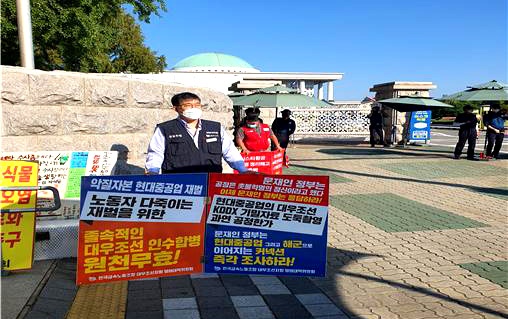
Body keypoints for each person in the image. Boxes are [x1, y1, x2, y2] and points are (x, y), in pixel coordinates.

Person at [145, 92, 249, 174]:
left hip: (211, 180)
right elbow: (155, 153)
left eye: (197, 105)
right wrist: (152, 171)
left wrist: (243, 170)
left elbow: (230, 151)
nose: (194, 108)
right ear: (175, 108)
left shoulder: (215, 127)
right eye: (188, 105)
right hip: (178, 182)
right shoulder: (165, 129)